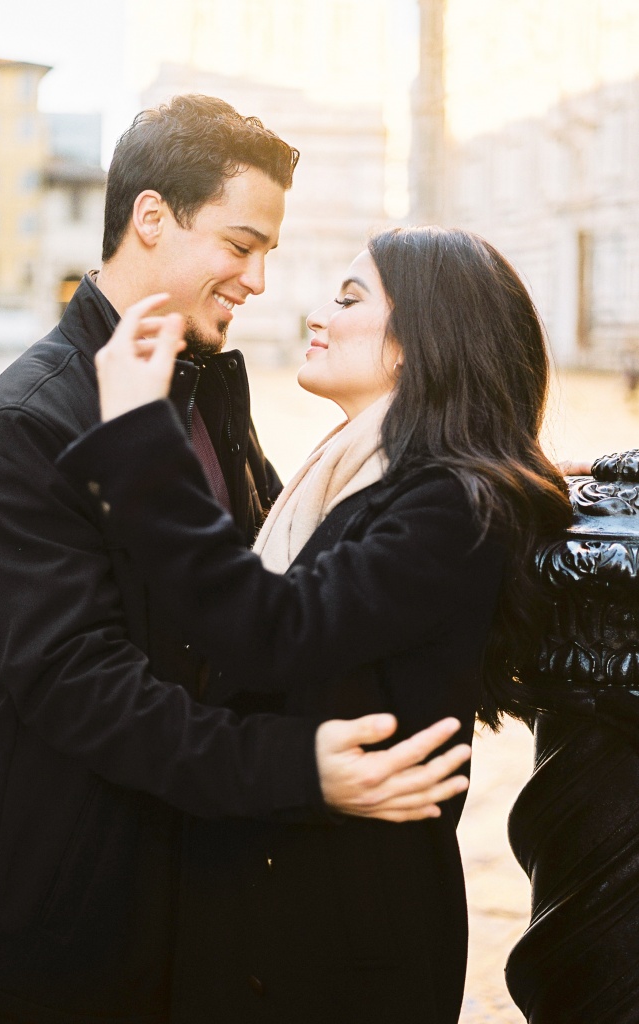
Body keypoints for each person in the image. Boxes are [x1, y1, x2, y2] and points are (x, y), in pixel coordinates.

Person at [0, 97, 471, 1024]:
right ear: (152, 217)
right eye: (239, 244)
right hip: (68, 928)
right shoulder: (25, 422)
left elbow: (260, 600)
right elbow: (82, 688)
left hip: (192, 904)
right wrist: (299, 770)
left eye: (266, 251)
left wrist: (480, 466)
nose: (258, 280)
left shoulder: (205, 384)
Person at [58, 225, 575, 1024]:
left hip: (337, 945)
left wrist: (135, 433)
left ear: (419, 341)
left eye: (349, 298)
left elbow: (271, 629)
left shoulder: (451, 504)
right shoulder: (371, 477)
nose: (316, 314)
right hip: (282, 907)